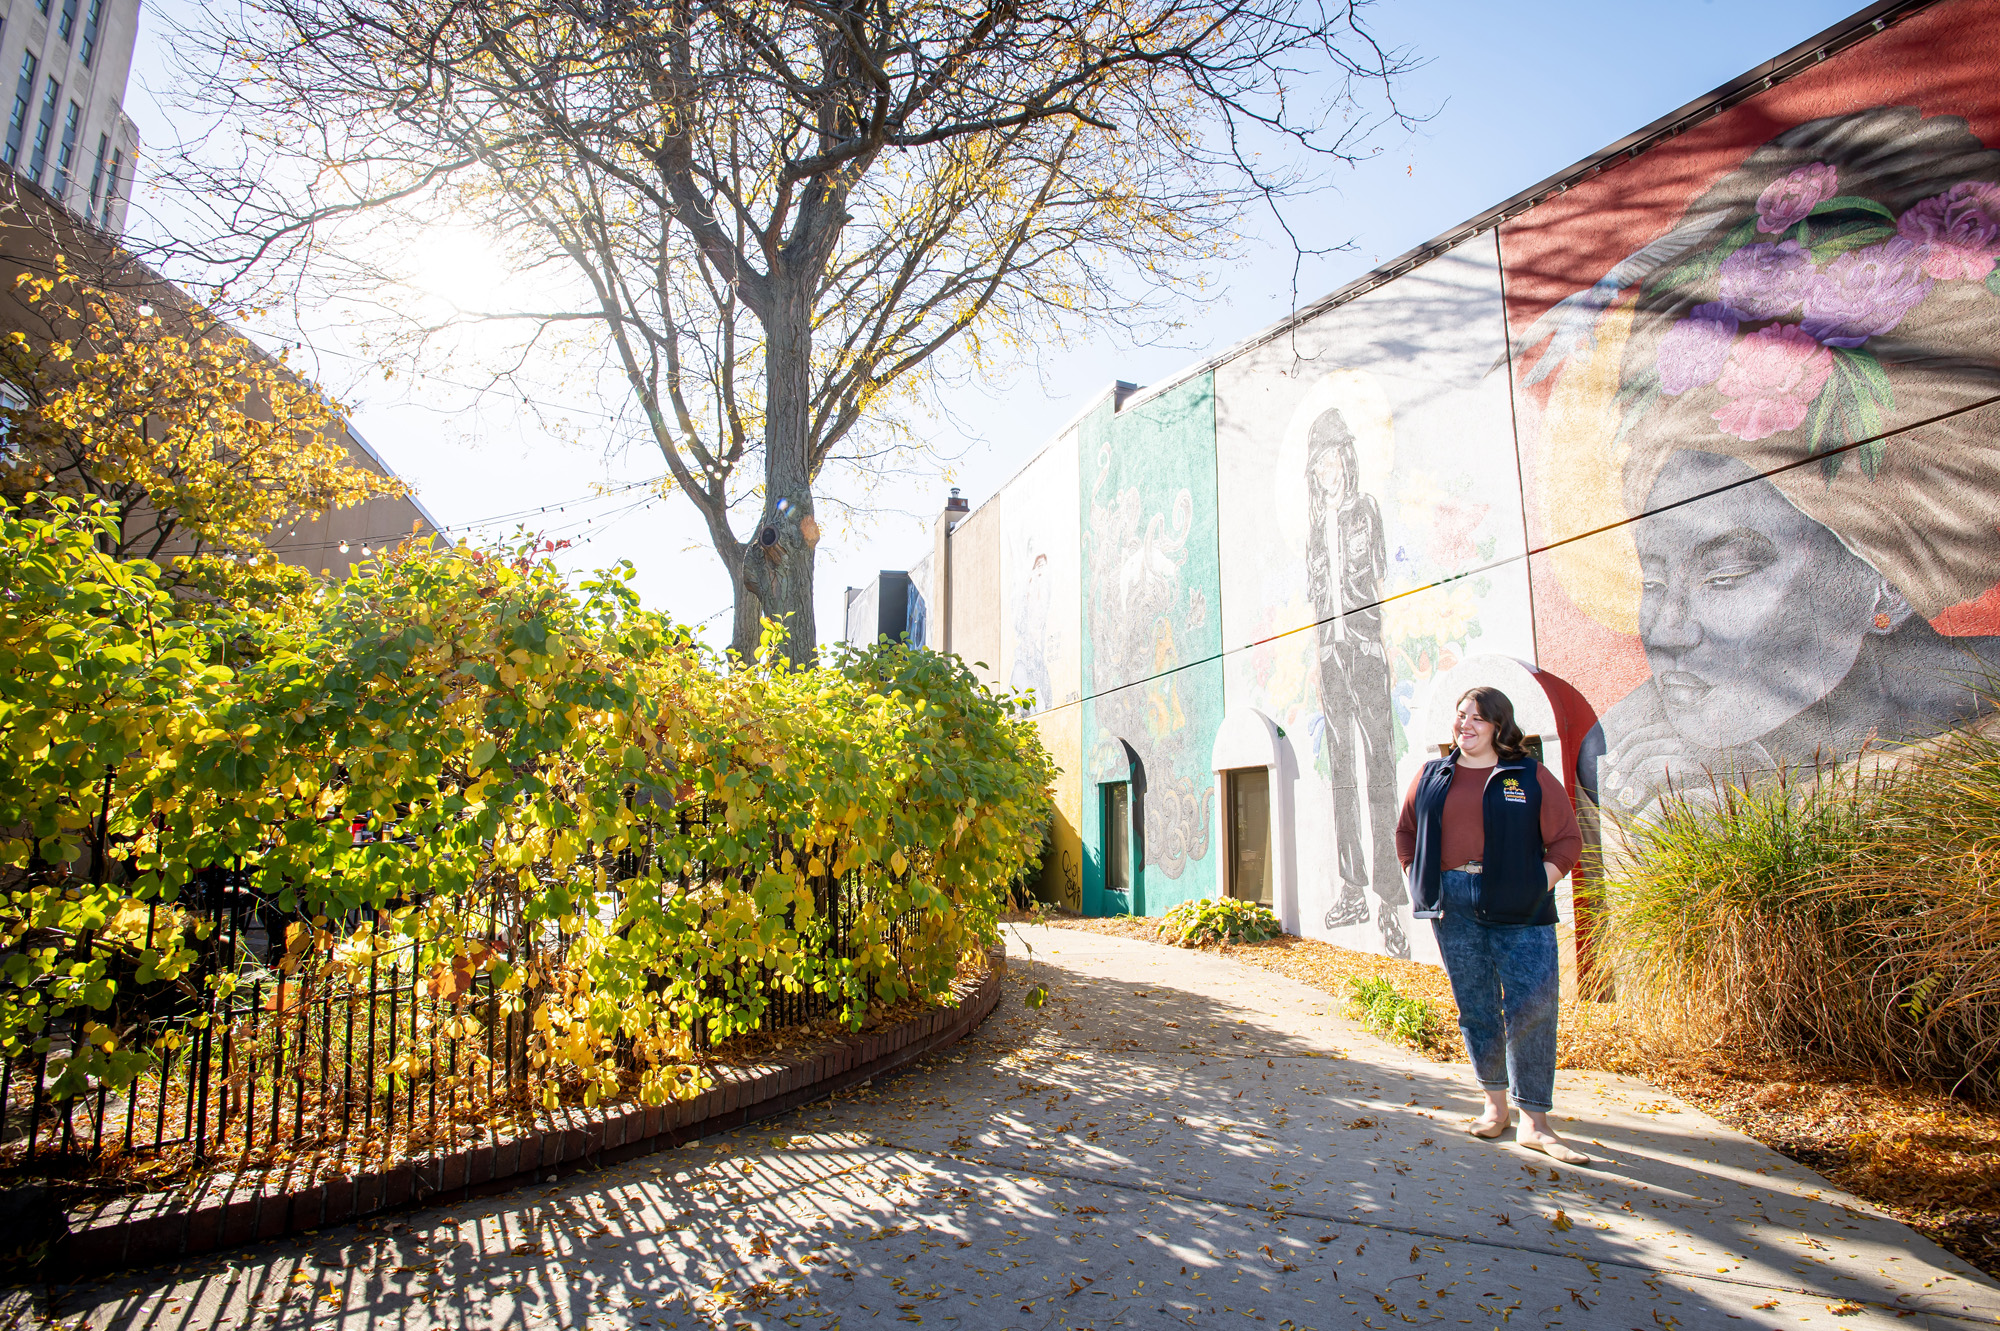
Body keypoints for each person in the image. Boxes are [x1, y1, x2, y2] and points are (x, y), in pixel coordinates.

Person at [1395, 685, 1587, 1163]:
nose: (1466, 725)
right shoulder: (1433, 775)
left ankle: (1535, 1122)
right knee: (1476, 1006)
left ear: (1500, 726)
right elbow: (1406, 832)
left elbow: (1566, 839)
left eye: (1478, 718)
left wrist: (1537, 881)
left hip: (1519, 904)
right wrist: (1417, 875)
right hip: (1453, 903)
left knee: (1533, 1006)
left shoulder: (1527, 774)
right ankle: (1494, 1105)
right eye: (1461, 716)